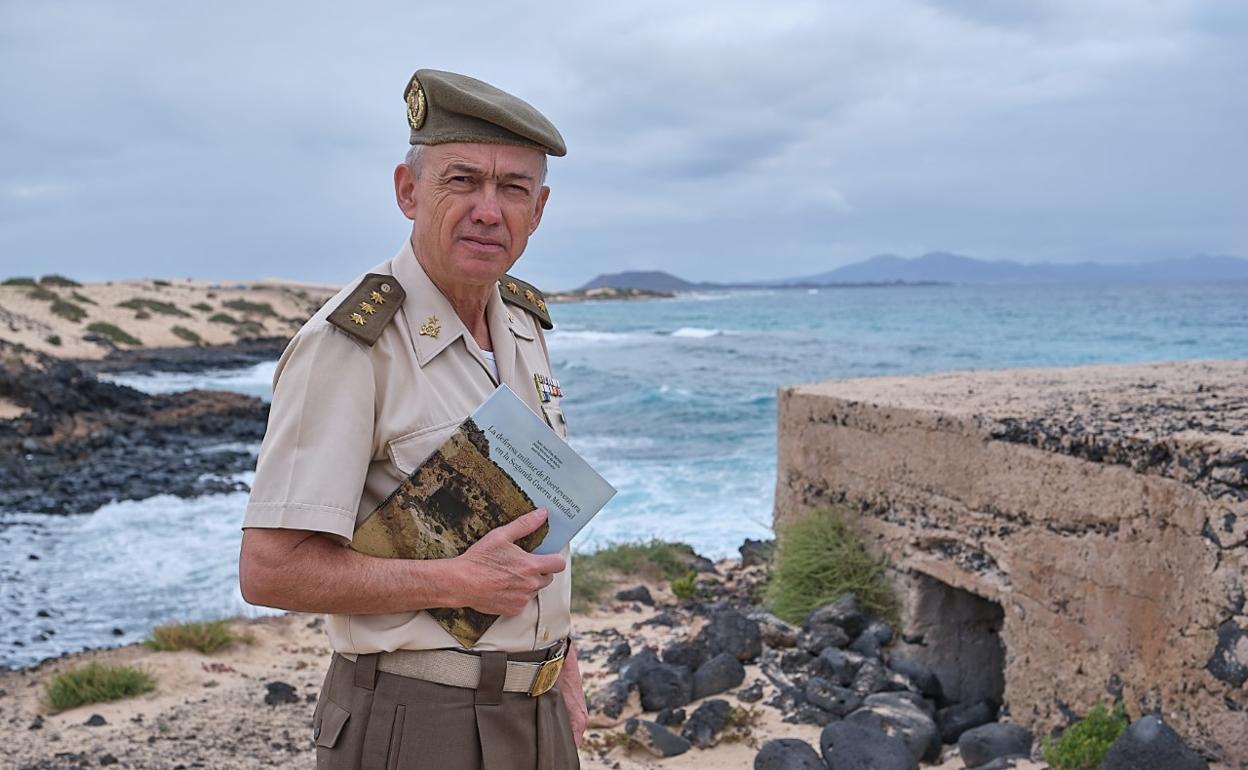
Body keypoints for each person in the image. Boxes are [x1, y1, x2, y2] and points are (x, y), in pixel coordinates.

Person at [238, 69, 585, 770]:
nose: (490, 209)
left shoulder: (520, 323)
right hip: (418, 723)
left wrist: (561, 658)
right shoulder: (349, 346)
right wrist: (453, 583)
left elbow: (524, 518)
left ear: (539, 209)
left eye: (514, 188)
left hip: (538, 711)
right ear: (408, 191)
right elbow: (269, 571)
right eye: (462, 180)